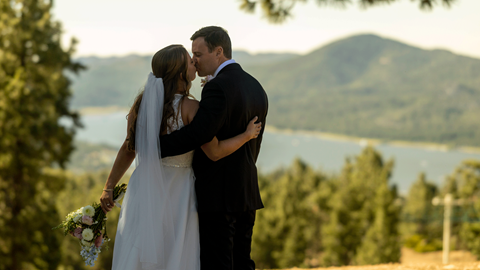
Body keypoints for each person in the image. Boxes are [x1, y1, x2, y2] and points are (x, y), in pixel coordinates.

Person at [99, 44, 262, 270]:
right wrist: (246, 136)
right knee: (176, 253)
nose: (195, 63)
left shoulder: (141, 106)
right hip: (179, 193)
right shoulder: (191, 108)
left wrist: (108, 187)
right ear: (180, 73)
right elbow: (214, 152)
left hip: (144, 190)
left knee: (140, 253)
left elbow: (128, 148)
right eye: (190, 60)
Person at [159, 27, 269, 270]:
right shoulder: (256, 86)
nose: (194, 60)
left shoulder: (217, 87)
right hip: (246, 191)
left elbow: (199, 133)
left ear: (219, 52)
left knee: (217, 264)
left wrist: (155, 146)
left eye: (198, 54)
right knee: (242, 263)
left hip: (219, 197)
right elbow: (254, 145)